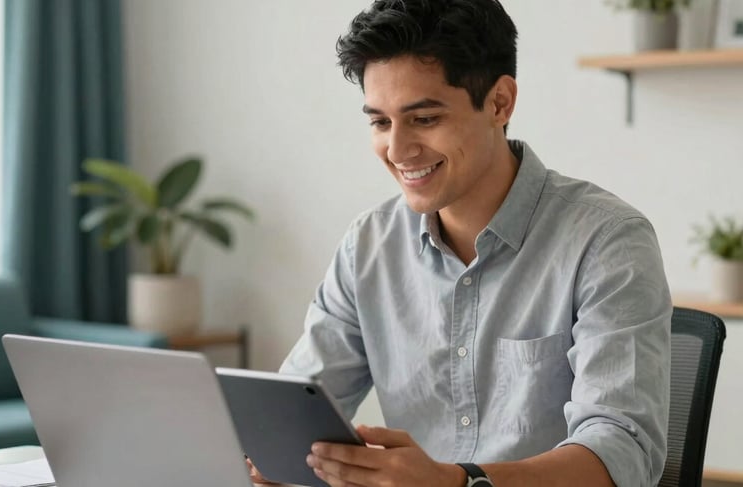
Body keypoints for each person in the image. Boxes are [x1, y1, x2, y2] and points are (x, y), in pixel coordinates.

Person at [253, 1, 672, 486]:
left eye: (424, 119)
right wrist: (263, 454)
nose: (396, 150)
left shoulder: (606, 241)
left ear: (499, 103)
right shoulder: (367, 246)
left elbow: (622, 452)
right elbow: (291, 408)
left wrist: (458, 482)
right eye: (380, 122)